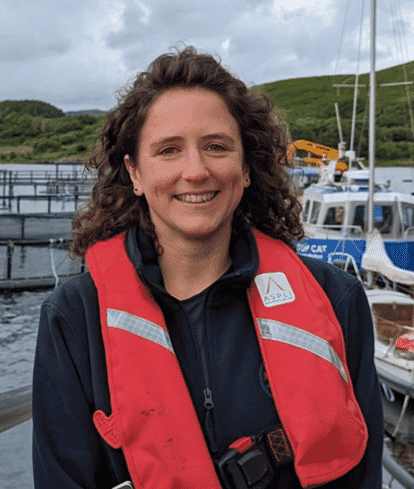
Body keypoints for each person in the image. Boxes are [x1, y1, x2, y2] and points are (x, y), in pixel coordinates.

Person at [32, 46, 383, 489]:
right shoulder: (75, 317)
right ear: (135, 172)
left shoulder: (337, 300)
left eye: (216, 147)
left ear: (247, 167)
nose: (195, 171)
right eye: (169, 150)